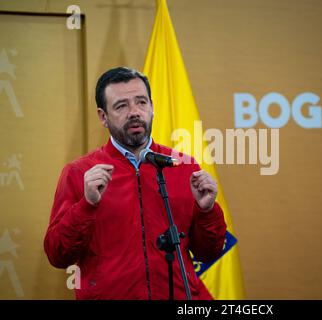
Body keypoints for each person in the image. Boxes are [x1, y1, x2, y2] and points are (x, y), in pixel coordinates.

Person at [44, 67, 227, 300]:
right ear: (103, 117)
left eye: (141, 102)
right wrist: (86, 205)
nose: (134, 112)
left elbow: (209, 252)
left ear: (152, 106)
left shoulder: (183, 167)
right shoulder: (80, 173)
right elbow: (57, 254)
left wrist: (207, 211)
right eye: (121, 106)